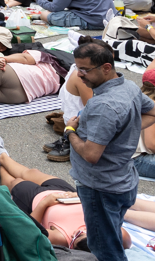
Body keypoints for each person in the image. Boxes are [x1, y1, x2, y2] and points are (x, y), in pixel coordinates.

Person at [54, 39, 154, 261]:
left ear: (106, 68)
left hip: (101, 189)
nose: (79, 75)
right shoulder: (128, 87)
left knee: (104, 249)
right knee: (111, 234)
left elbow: (91, 154)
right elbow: (152, 113)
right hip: (123, 181)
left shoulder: (103, 106)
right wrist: (123, 134)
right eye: (77, 68)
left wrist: (70, 131)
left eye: (84, 70)